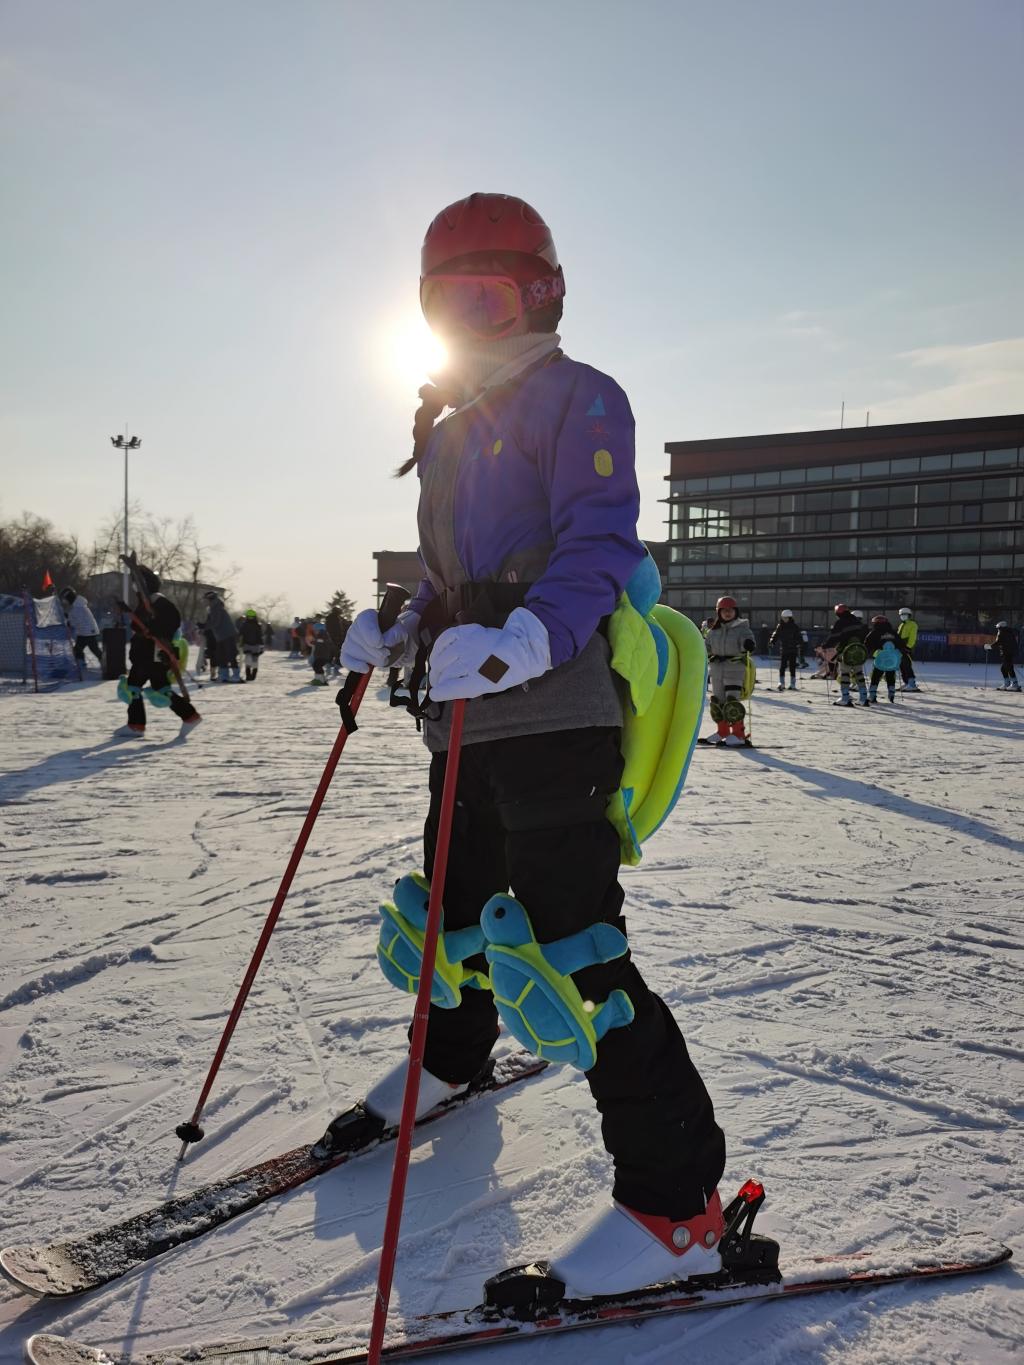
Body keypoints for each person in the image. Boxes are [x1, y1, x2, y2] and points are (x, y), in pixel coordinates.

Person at [336, 192, 726, 1297]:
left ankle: (678, 1206)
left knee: (571, 948)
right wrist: (400, 625)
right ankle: (452, 1060)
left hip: (557, 717)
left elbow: (598, 545)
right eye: (444, 304)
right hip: (462, 715)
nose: (467, 323)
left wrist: (523, 641)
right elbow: (448, 578)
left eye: (488, 300)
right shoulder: (450, 427)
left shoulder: (581, 397)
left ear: (542, 296)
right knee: (451, 911)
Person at [117, 566, 201, 736]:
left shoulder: (158, 601)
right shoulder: (147, 602)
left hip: (151, 653)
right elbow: (139, 624)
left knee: (134, 686)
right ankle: (189, 716)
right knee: (160, 687)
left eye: (135, 583)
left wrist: (154, 629)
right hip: (149, 654)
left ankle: (136, 725)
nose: (134, 587)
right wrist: (130, 613)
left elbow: (170, 622)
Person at [703, 595, 756, 744]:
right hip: (716, 669)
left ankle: (738, 734)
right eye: (724, 610)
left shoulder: (742, 629)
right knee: (717, 701)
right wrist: (704, 653)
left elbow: (748, 641)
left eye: (730, 610)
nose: (727, 613)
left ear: (736, 611)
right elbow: (707, 647)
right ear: (718, 612)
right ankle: (723, 731)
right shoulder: (713, 631)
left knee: (732, 701)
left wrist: (748, 644)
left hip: (734, 668)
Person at [823, 604, 870, 706]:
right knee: (859, 674)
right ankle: (863, 698)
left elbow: (834, 637)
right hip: (859, 652)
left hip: (846, 652)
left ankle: (845, 698)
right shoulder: (858, 621)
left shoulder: (840, 622)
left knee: (845, 674)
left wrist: (825, 646)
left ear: (838, 613)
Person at [864, 614, 909, 703]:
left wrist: (870, 651)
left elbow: (867, 643)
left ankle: (872, 695)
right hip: (892, 660)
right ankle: (891, 695)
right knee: (890, 676)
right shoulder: (893, 633)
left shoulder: (874, 632)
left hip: (880, 659)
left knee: (876, 676)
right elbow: (901, 644)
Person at [202, 591, 241, 683]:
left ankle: (236, 676)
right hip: (221, 636)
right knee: (221, 655)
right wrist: (204, 626)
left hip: (227, 635)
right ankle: (224, 675)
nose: (205, 602)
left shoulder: (216, 608)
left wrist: (204, 626)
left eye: (206, 599)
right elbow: (212, 622)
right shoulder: (213, 608)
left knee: (230, 655)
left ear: (210, 599)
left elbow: (216, 622)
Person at [59, 588, 103, 669]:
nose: (65, 602)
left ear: (69, 598)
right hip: (84, 632)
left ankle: (105, 662)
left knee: (93, 648)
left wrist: (69, 622)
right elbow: (73, 617)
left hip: (88, 632)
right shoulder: (76, 605)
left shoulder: (78, 607)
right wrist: (67, 617)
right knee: (78, 649)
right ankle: (81, 664)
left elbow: (76, 621)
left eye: (65, 599)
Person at [768, 608, 801, 690]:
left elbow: (799, 637)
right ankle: (781, 683)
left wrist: (799, 643)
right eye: (783, 618)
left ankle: (792, 684)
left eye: (786, 618)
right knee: (782, 666)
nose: (784, 619)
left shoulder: (794, 627)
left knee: (792, 667)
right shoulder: (780, 626)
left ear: (790, 618)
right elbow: (775, 635)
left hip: (793, 649)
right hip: (784, 649)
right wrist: (772, 642)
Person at [986, 621, 1020, 691]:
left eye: (998, 628)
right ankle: (1008, 683)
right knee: (1004, 668)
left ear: (1000, 627)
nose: (997, 629)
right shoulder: (1009, 631)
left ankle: (1014, 684)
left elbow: (998, 642)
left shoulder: (1001, 632)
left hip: (1006, 652)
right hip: (1010, 652)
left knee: (1008, 668)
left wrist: (990, 646)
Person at [897, 607, 919, 691]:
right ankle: (906, 682)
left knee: (907, 665)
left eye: (905, 614)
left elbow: (913, 637)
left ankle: (912, 683)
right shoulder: (901, 625)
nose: (903, 616)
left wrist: (908, 647)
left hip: (906, 647)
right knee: (901, 665)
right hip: (900, 647)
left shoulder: (912, 624)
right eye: (901, 615)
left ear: (909, 615)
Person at [239, 609, 264, 681]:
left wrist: (240, 644)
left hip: (248, 645)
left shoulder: (244, 625)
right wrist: (262, 646)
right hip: (254, 645)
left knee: (249, 660)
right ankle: (252, 675)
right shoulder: (258, 625)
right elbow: (260, 636)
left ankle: (249, 675)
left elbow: (241, 635)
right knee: (253, 660)